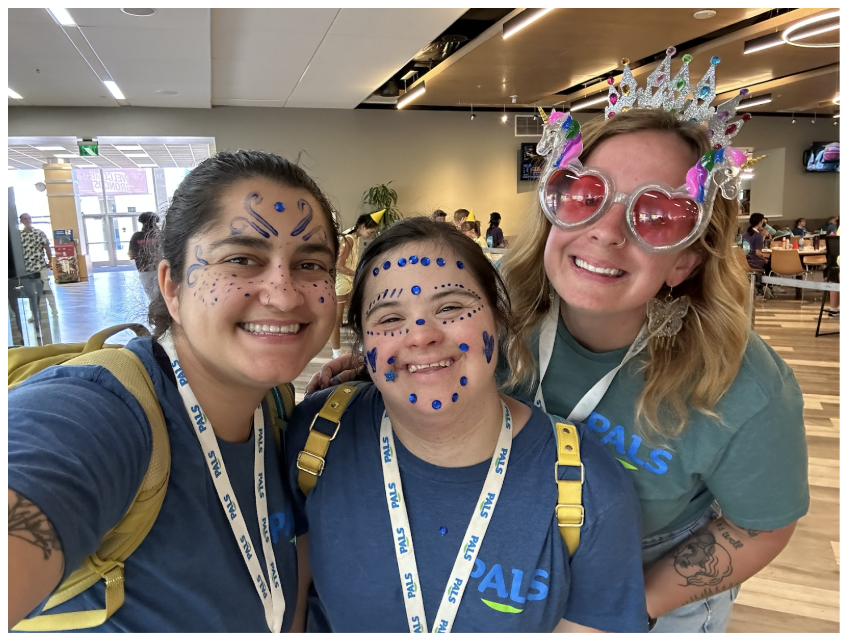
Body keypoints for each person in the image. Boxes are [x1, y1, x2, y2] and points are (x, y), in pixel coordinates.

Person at [310, 93, 810, 632]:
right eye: (587, 196)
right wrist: (375, 371)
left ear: (684, 261)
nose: (607, 231)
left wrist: (625, 605)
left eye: (656, 216)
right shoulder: (494, 317)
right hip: (503, 561)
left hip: (647, 577)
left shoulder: (741, 383)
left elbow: (762, 527)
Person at [9, 151, 341, 631]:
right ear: (171, 287)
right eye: (241, 259)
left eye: (310, 264)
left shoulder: (276, 408)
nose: (285, 294)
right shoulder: (99, 412)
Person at [289, 218, 648, 632]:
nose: (421, 336)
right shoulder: (316, 434)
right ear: (365, 342)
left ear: (498, 318)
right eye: (389, 318)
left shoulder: (590, 489)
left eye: (450, 308)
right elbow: (292, 602)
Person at [331, 213, 379, 358]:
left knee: (358, 314)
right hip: (341, 285)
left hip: (348, 283)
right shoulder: (349, 239)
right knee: (336, 321)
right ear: (362, 227)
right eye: (370, 232)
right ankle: (336, 354)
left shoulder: (354, 237)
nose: (371, 235)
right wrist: (357, 273)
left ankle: (361, 346)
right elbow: (339, 265)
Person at [18, 213, 57, 326]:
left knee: (46, 288)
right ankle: (34, 314)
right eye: (25, 219)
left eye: (29, 218)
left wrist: (50, 261)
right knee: (31, 292)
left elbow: (47, 248)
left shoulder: (39, 233)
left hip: (40, 266)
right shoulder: (19, 236)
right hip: (26, 268)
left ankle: (54, 310)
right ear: (21, 221)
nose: (27, 221)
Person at [128, 211, 160, 301]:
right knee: (160, 293)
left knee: (151, 295)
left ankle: (154, 307)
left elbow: (131, 254)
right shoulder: (160, 235)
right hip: (159, 268)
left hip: (144, 269)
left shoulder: (136, 236)